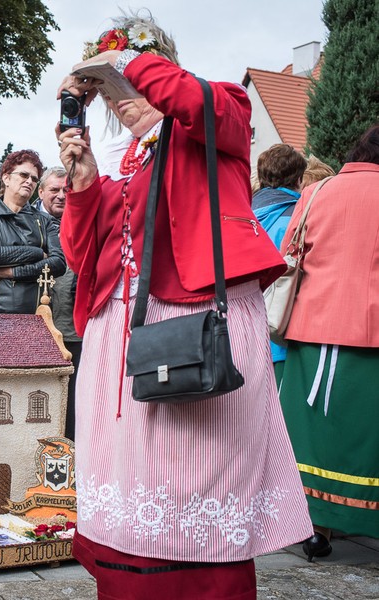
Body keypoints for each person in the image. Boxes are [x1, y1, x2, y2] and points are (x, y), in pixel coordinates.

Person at [56, 12, 311, 599]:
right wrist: (84, 183)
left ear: (158, 70)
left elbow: (195, 103)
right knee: (131, 482)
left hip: (191, 327)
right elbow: (81, 253)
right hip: (121, 338)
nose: (118, 101)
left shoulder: (219, 113)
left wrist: (122, 61)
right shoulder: (128, 161)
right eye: (108, 94)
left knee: (196, 472)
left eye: (125, 86)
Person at [278, 124, 379, 561]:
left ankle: (315, 526)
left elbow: (289, 253)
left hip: (315, 325)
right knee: (368, 434)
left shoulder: (317, 192)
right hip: (370, 331)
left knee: (313, 434)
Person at [0, 149, 65, 314]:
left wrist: (15, 272)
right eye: (24, 175)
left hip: (36, 312)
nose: (29, 181)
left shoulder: (45, 221)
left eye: (34, 179)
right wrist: (38, 253)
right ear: (6, 178)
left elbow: (58, 263)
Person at [251, 143, 307, 384]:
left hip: (241, 331)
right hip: (281, 333)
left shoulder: (242, 214)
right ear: (299, 179)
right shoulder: (298, 219)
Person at [35, 166, 80, 440]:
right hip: (35, 327)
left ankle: (69, 453)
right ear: (41, 192)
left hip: (73, 327)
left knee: (72, 400)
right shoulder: (28, 221)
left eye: (66, 190)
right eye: (54, 190)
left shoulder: (81, 220)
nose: (61, 195)